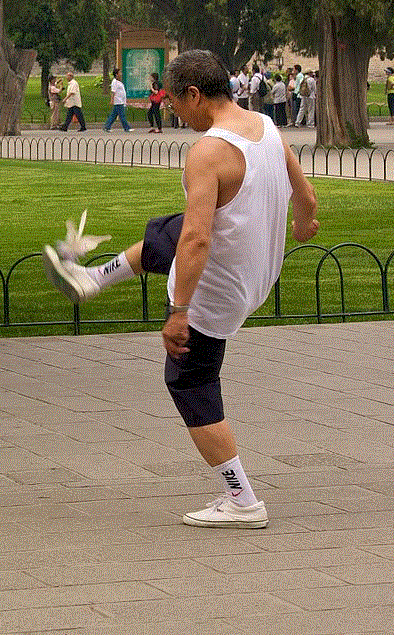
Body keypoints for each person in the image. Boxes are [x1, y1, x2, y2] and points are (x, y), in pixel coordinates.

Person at [41, 50, 319, 529]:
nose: (173, 111)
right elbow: (306, 195)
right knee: (165, 232)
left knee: (190, 382)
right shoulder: (267, 127)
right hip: (257, 270)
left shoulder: (208, 152)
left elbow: (198, 241)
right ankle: (92, 278)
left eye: (174, 102)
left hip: (219, 288)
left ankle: (242, 500)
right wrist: (302, 223)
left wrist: (179, 311)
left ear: (194, 94)